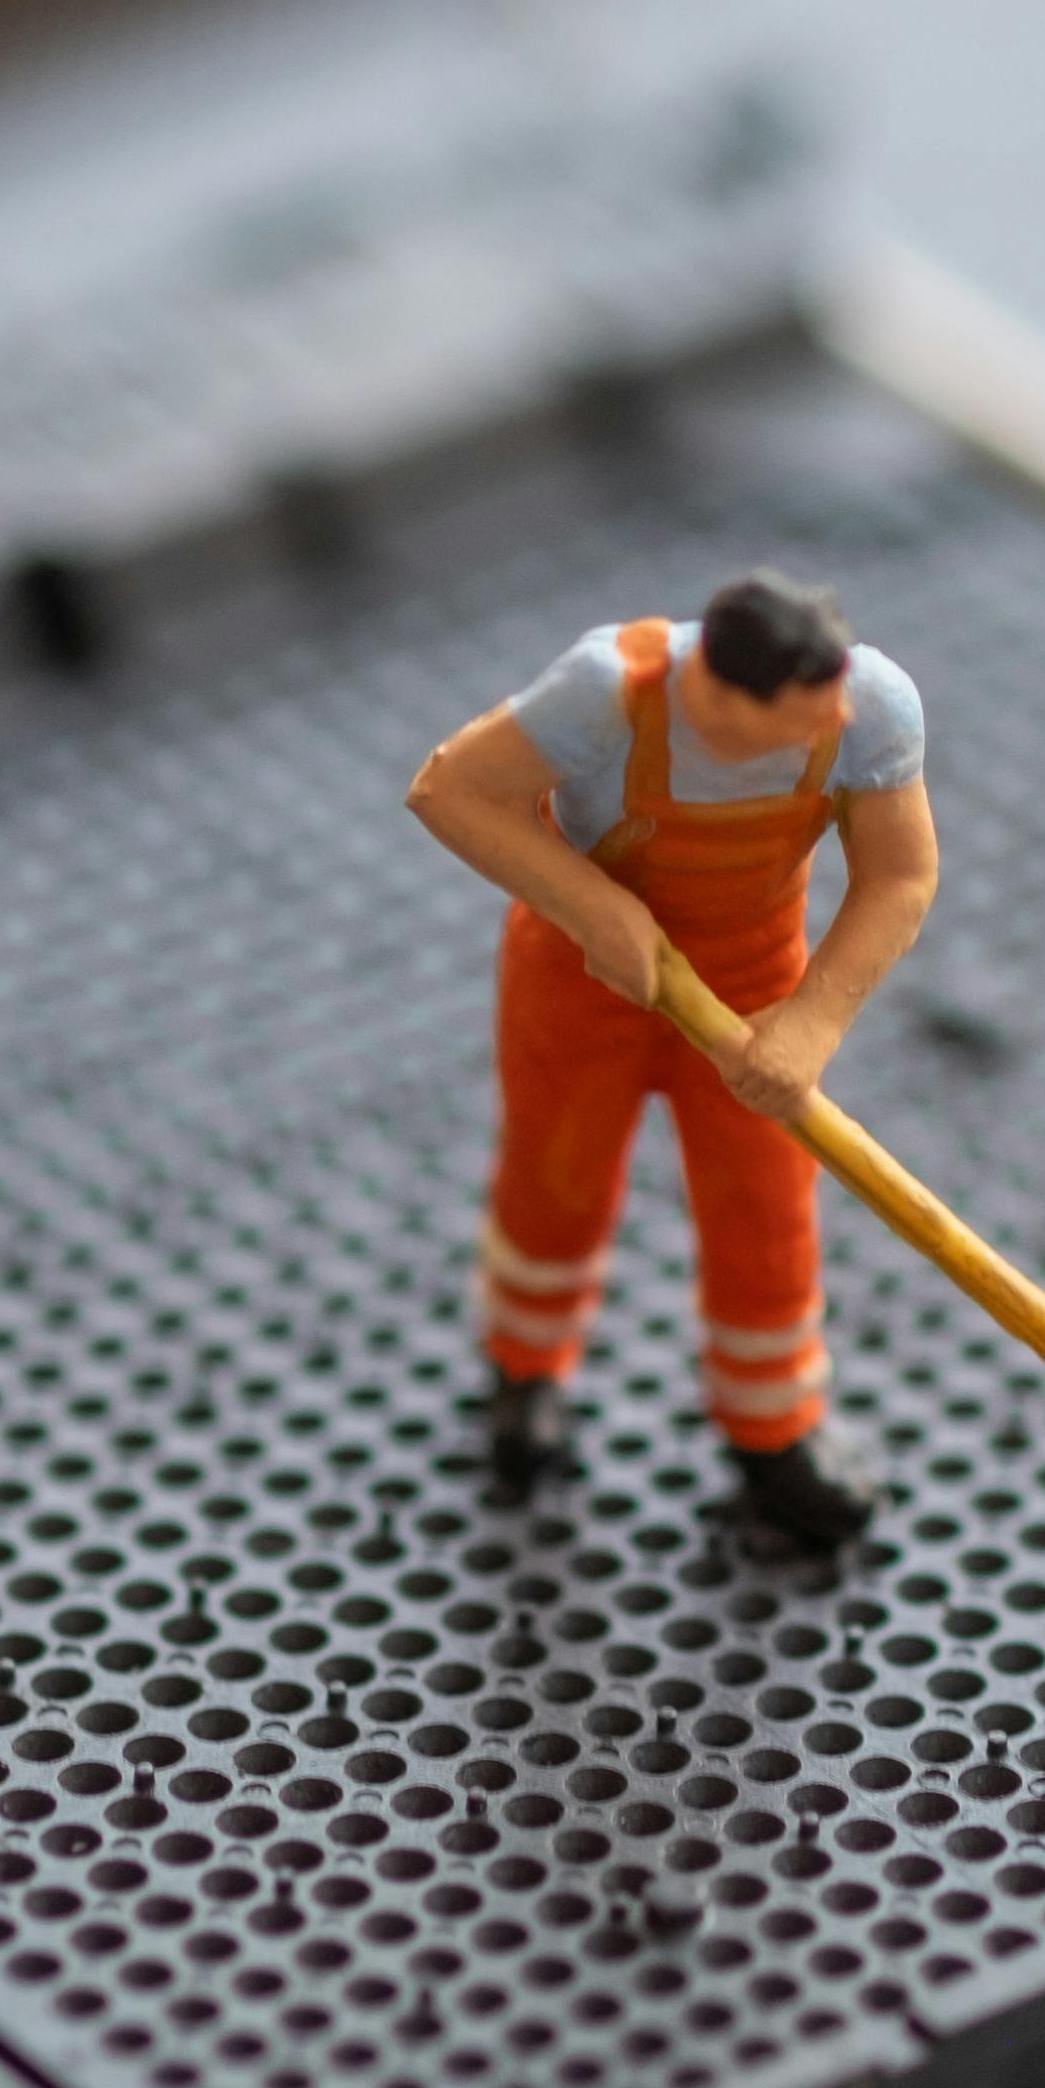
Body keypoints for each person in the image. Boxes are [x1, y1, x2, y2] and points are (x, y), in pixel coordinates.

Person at [406, 571, 934, 1548]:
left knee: (766, 1207)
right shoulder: (607, 692)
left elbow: (900, 877)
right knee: (557, 1179)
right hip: (578, 981)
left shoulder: (868, 709)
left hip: (751, 995)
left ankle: (772, 1433)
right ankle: (525, 1379)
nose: (829, 720)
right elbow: (450, 789)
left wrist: (810, 1024)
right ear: (724, 699)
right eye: (799, 713)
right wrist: (591, 903)